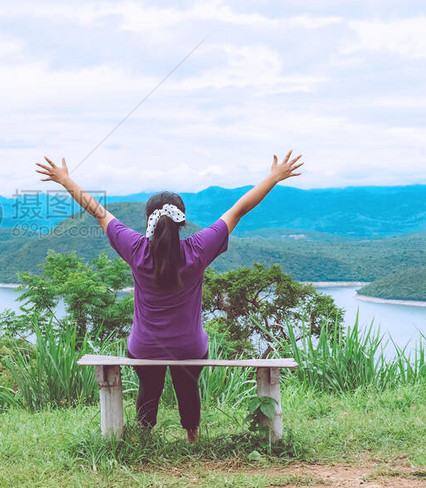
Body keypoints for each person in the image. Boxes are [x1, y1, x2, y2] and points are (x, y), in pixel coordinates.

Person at [35, 151, 303, 442]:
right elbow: (239, 209)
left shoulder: (136, 249)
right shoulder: (198, 249)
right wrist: (274, 177)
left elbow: (98, 212)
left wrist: (64, 179)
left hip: (145, 347)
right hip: (189, 347)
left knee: (149, 387)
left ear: (148, 220)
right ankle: (192, 435)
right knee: (187, 386)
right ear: (181, 221)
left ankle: (145, 434)